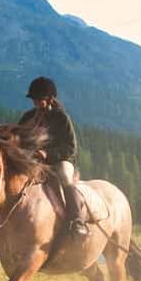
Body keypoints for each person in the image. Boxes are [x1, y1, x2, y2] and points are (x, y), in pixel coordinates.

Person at [19, 76, 88, 238]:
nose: (36, 103)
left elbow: (70, 147)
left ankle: (77, 220)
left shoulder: (61, 117)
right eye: (34, 100)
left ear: (50, 99)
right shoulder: (27, 117)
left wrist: (47, 154)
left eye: (39, 100)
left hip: (60, 161)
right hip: (33, 162)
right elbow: (18, 138)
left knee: (64, 174)